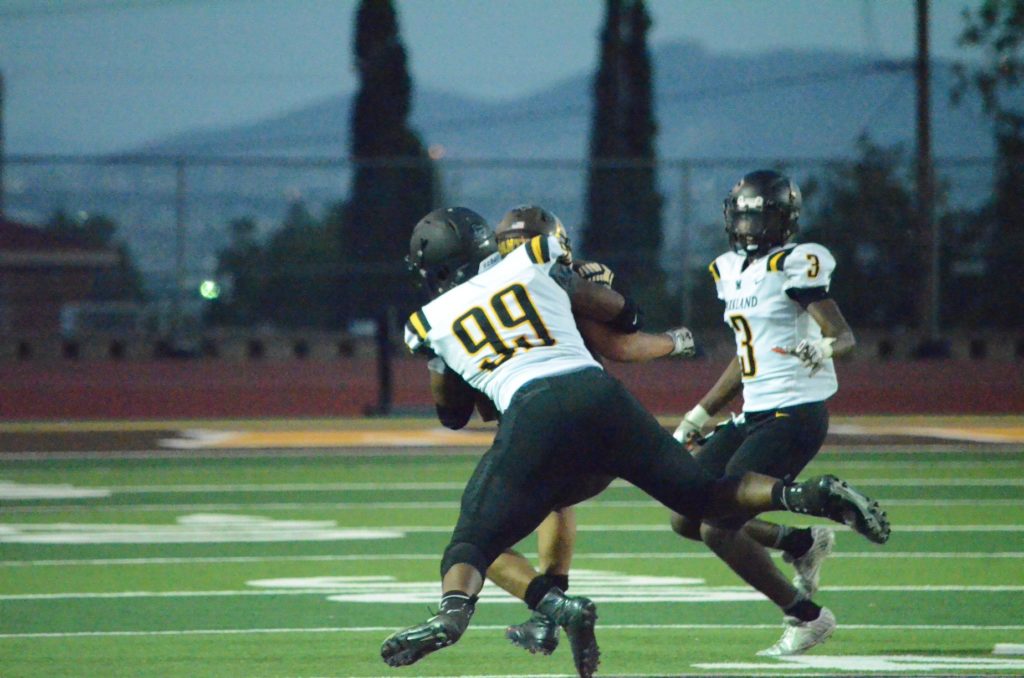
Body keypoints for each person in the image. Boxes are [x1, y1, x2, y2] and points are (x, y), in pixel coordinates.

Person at [381, 206, 889, 677]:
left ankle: (454, 615)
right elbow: (621, 314)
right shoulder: (533, 260)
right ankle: (805, 495)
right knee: (702, 496)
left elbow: (452, 414)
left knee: (473, 541)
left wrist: (457, 364)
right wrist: (618, 305)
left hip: (532, 411)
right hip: (602, 398)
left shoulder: (428, 321)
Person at [428, 204, 693, 658]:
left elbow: (617, 342)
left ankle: (549, 609)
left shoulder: (534, 284)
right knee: (562, 500)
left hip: (547, 424)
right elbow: (623, 335)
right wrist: (678, 341)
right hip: (596, 425)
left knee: (476, 543)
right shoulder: (550, 278)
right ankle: (547, 618)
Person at [669, 169, 863, 657]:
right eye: (743, 217)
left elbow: (844, 336)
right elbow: (745, 354)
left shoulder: (795, 263)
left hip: (794, 411)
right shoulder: (728, 269)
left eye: (760, 217)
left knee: (717, 527)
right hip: (754, 412)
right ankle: (799, 542)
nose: (749, 227)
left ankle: (807, 617)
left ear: (784, 220)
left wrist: (825, 347)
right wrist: (698, 415)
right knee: (684, 513)